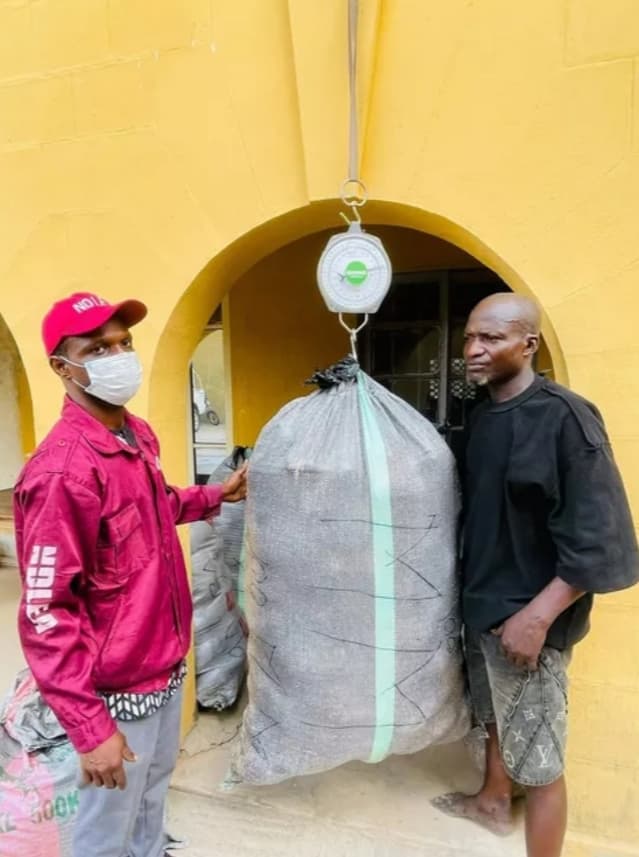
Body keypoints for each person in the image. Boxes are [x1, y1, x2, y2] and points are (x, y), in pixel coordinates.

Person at [14, 292, 247, 857]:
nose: (119, 356)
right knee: (105, 829)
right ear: (62, 368)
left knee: (149, 802)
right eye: (98, 347)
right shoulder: (62, 472)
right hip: (113, 692)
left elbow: (149, 507)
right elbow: (46, 612)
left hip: (162, 665)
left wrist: (212, 496)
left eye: (123, 343)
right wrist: (91, 731)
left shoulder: (135, 435)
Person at [432, 292, 638, 857]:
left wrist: (540, 615)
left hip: (531, 621)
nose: (472, 349)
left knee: (541, 762)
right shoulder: (483, 418)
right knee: (496, 718)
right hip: (483, 607)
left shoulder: (566, 418)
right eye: (470, 337)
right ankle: (493, 801)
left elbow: (605, 536)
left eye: (490, 339)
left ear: (529, 344)